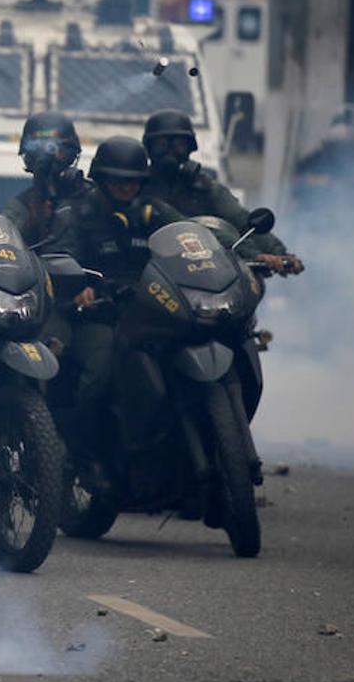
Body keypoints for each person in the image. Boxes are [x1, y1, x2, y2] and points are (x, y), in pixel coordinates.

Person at [48, 136, 189, 487]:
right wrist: (78, 286)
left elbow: (190, 237)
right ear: (101, 179)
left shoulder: (154, 212)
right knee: (100, 371)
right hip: (101, 314)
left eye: (133, 180)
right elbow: (58, 258)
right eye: (117, 179)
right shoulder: (76, 214)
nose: (126, 187)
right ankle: (81, 454)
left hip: (154, 309)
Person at [139, 109, 303, 274]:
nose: (170, 153)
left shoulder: (203, 187)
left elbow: (241, 219)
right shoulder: (136, 188)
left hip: (204, 273)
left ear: (190, 148)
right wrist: (253, 254)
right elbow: (192, 230)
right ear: (148, 149)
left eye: (179, 146)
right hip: (149, 273)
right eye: (161, 145)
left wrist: (278, 253)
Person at [2, 110, 91, 247]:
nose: (49, 157)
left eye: (57, 149)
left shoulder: (94, 198)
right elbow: (5, 250)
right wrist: (33, 223)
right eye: (38, 149)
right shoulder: (20, 207)